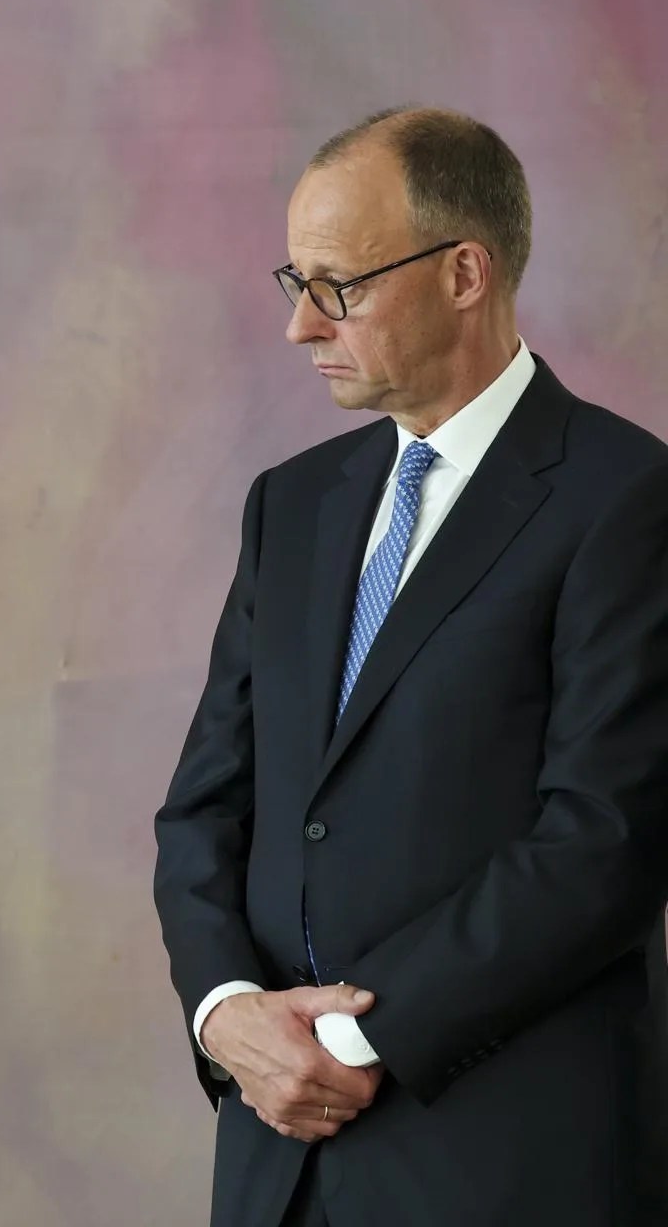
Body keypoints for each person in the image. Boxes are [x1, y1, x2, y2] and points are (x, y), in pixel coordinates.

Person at [152, 105, 668, 1227]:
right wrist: (228, 1012)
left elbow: (606, 841)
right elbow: (203, 810)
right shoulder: (289, 506)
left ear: (464, 273)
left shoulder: (627, 498)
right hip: (276, 1165)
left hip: (505, 1166)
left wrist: (348, 1035)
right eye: (296, 278)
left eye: (337, 284)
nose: (300, 324)